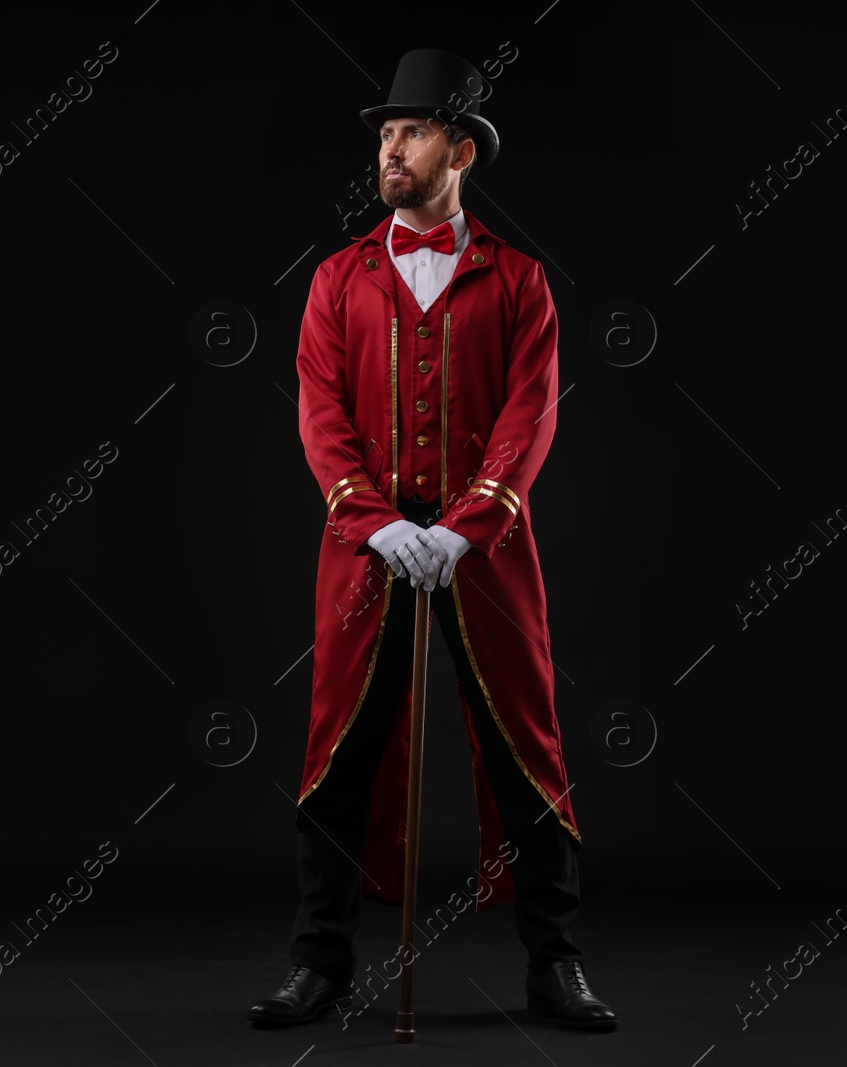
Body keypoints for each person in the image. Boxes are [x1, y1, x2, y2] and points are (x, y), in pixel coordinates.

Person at [248, 48, 615, 1032]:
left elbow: (528, 415)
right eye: (382, 134)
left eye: (407, 133)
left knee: (522, 746)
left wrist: (463, 527)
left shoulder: (520, 280)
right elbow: (319, 416)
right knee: (340, 749)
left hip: (483, 553)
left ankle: (555, 962)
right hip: (364, 553)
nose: (389, 149)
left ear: (460, 149)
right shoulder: (335, 278)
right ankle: (318, 961)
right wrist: (375, 524)